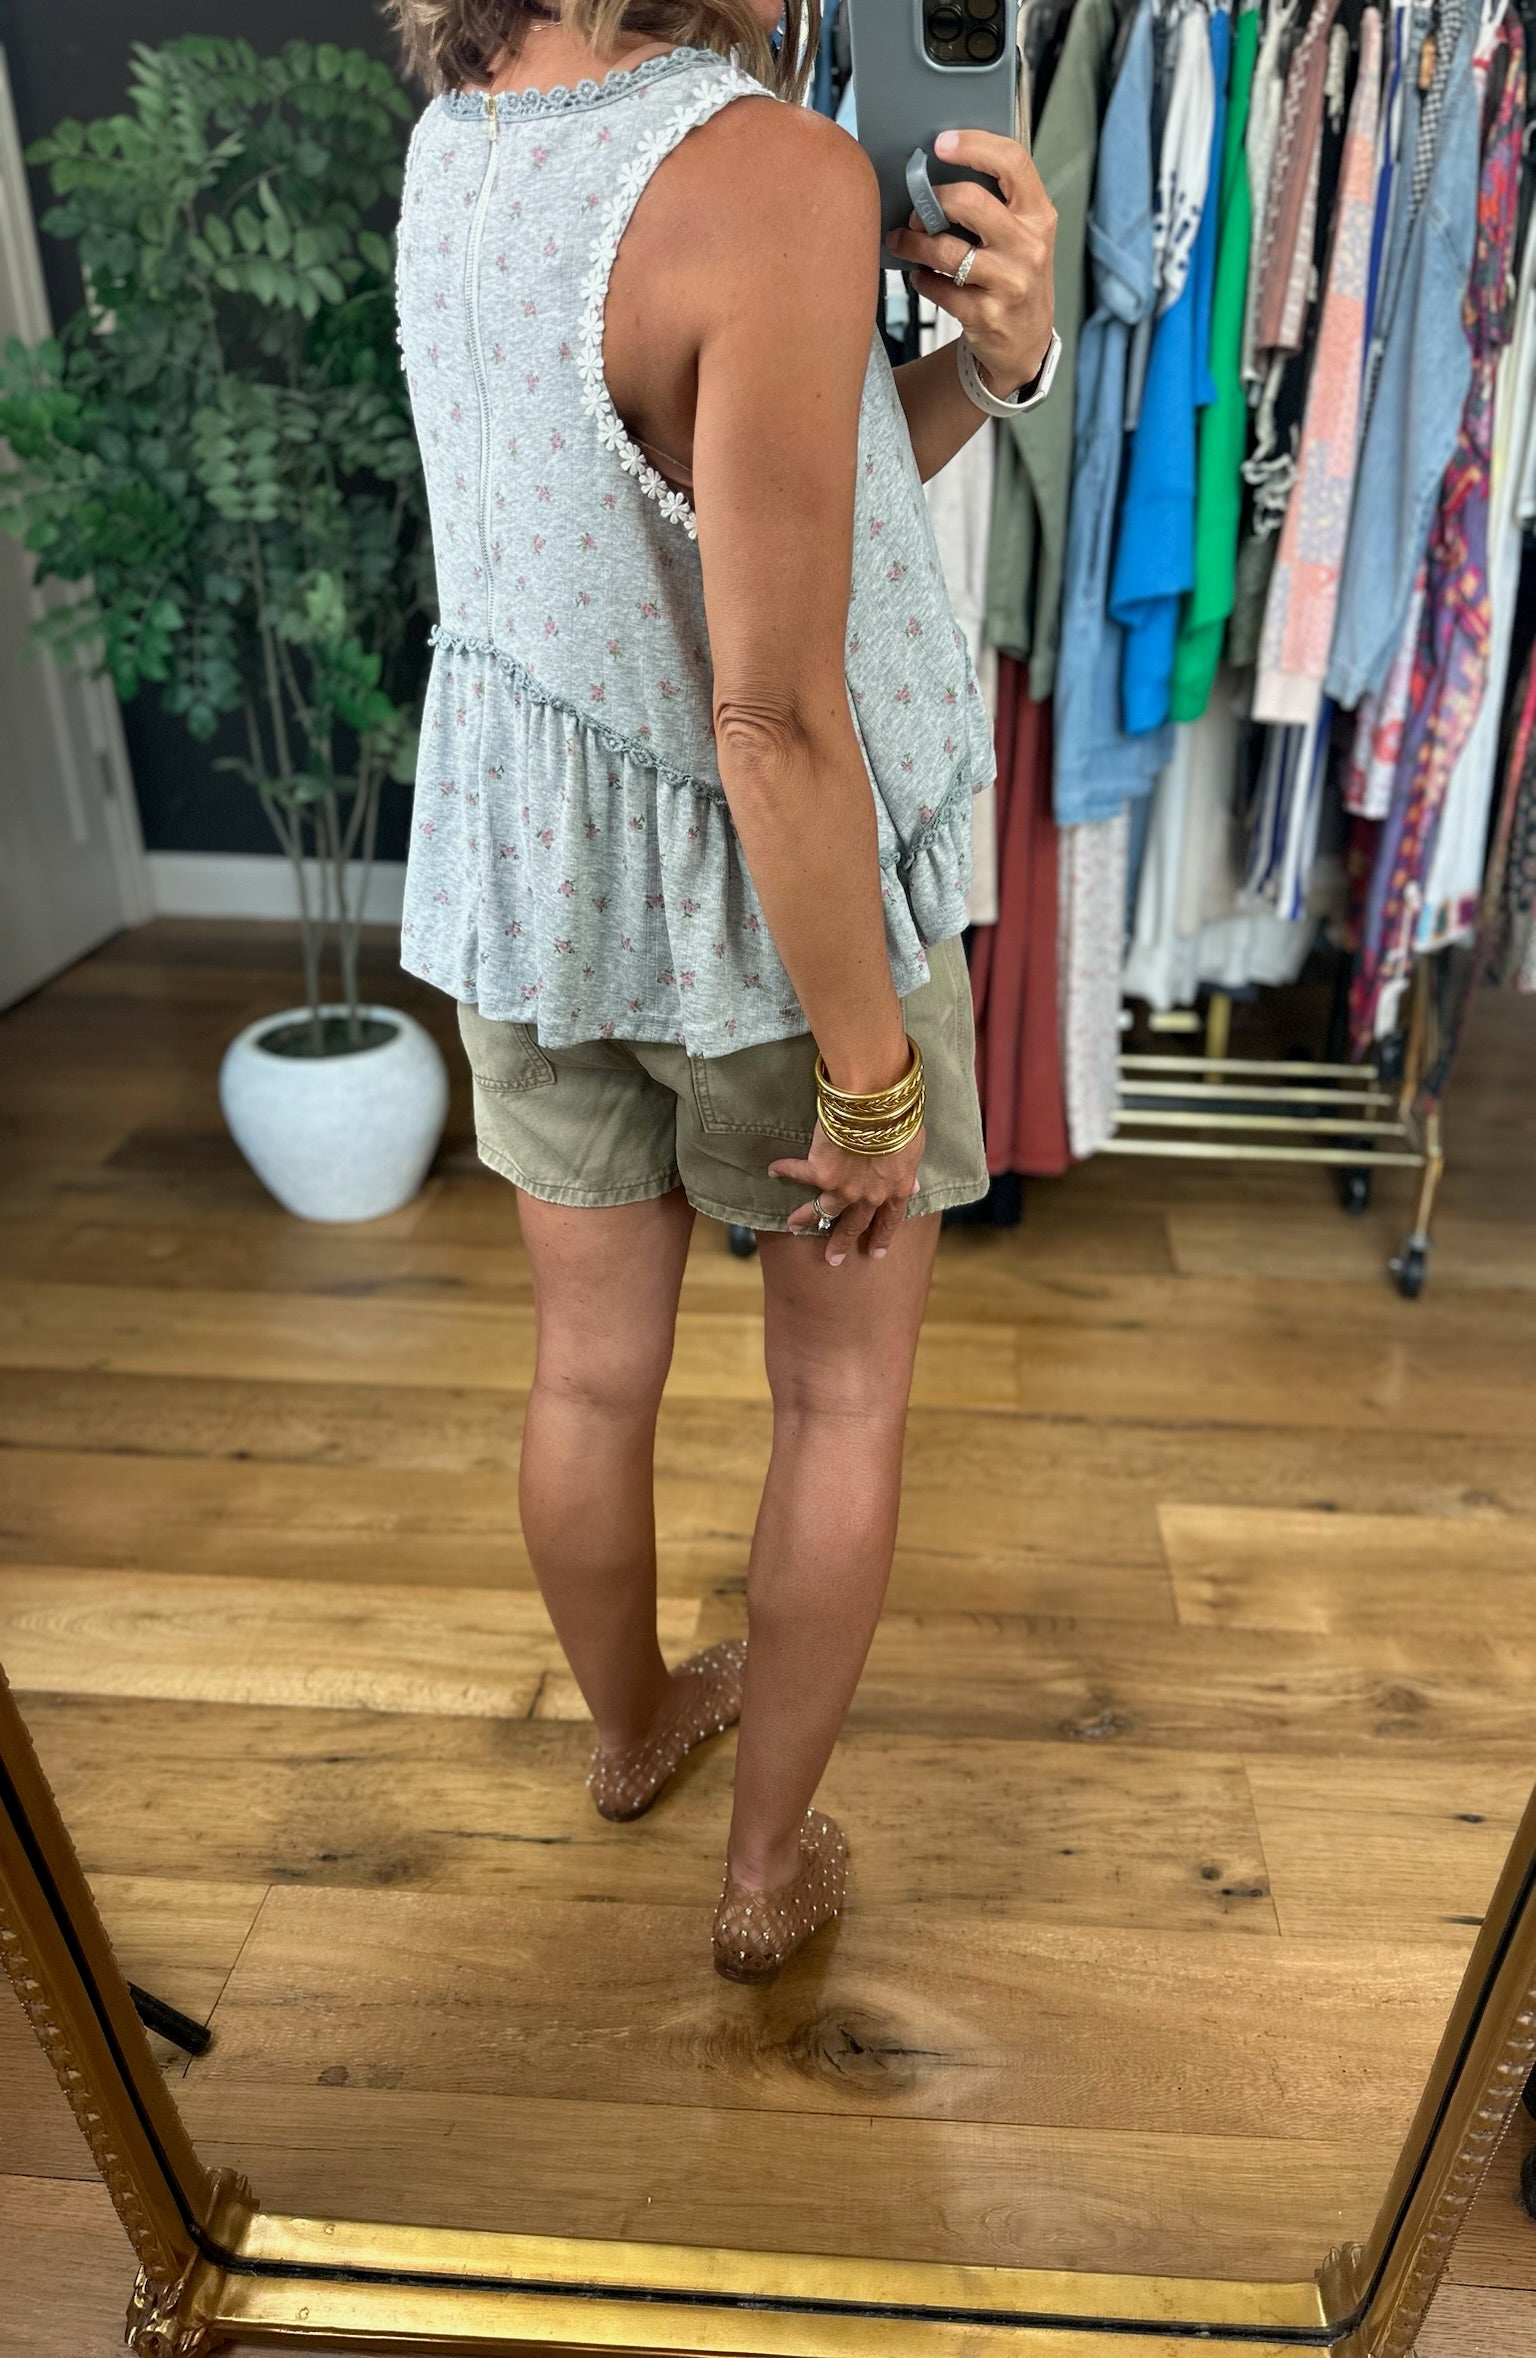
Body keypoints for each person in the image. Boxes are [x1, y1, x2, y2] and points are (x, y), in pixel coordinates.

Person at [388, 0, 1056, 1982]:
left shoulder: (460, 136)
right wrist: (872, 1076)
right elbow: (771, 712)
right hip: (782, 913)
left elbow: (751, 506)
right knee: (839, 1401)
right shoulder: (771, 174)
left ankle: (629, 1734)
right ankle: (766, 1876)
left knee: (586, 1376)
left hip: (539, 878)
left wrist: (984, 375)